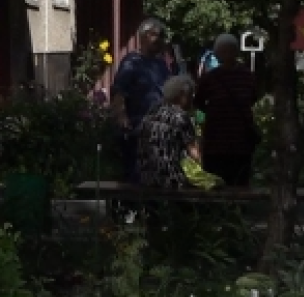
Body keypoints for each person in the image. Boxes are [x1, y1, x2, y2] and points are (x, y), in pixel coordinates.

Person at [109, 19, 178, 182]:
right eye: (155, 35)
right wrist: (121, 117)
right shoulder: (131, 62)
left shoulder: (161, 64)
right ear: (143, 37)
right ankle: (132, 207)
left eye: (162, 36)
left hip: (160, 129)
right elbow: (119, 93)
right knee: (136, 176)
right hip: (137, 128)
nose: (160, 39)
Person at [193, 34, 260, 187]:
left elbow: (198, 102)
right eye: (223, 51)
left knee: (236, 183)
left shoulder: (245, 75)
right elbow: (198, 101)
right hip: (219, 142)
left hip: (236, 142)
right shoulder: (211, 78)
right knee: (220, 183)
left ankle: (235, 210)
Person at [136, 75, 199, 189]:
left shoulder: (151, 112)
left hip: (146, 178)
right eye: (191, 96)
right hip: (171, 179)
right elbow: (194, 154)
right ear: (181, 95)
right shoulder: (181, 116)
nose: (192, 100)